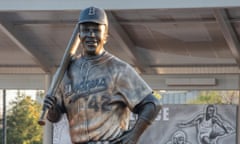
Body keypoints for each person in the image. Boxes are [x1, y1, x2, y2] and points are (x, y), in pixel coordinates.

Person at [43, 6, 161, 144]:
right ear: (79, 35)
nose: (91, 35)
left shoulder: (119, 69)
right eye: (86, 30)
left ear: (105, 36)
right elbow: (54, 116)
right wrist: (51, 108)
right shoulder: (67, 70)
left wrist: (133, 135)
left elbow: (152, 104)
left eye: (96, 30)